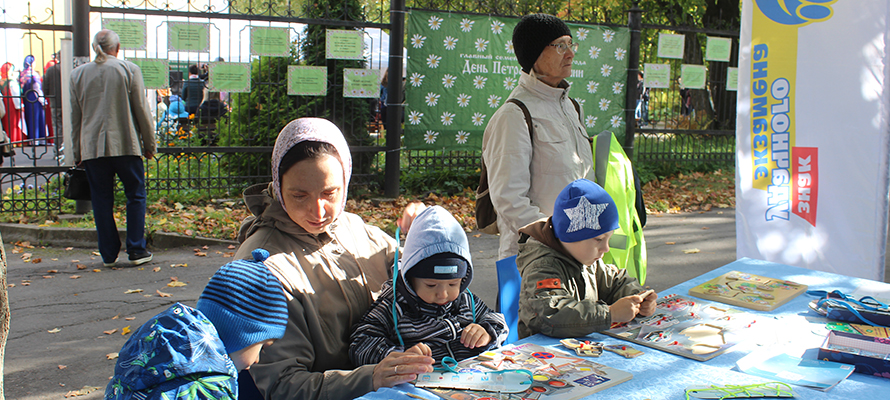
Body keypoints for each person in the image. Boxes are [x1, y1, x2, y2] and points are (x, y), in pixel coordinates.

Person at [234, 117, 434, 399]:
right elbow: (283, 386)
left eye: (330, 193)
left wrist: (425, 236)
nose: (318, 212)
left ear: (346, 181)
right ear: (278, 188)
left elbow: (429, 283)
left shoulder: (352, 228)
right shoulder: (262, 267)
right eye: (299, 195)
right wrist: (372, 377)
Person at [482, 14, 596, 261]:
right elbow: (509, 200)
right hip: (535, 257)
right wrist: (556, 236)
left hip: (579, 249)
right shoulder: (514, 114)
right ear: (533, 55)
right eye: (560, 46)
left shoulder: (572, 108)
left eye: (571, 44)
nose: (570, 54)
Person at [105, 248, 289, 399]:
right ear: (241, 334)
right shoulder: (208, 384)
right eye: (262, 346)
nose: (257, 359)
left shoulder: (161, 337)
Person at [349, 206, 508, 365]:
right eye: (431, 285)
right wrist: (397, 356)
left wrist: (487, 332)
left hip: (468, 377)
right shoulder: (394, 306)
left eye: (453, 283)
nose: (443, 294)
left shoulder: (465, 300)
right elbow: (360, 345)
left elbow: (497, 321)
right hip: (418, 381)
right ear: (410, 279)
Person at [516, 179, 657, 339]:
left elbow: (615, 282)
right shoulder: (542, 266)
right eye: (598, 239)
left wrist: (638, 297)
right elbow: (553, 315)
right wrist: (610, 314)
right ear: (571, 237)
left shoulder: (585, 256)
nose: (606, 248)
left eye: (608, 239)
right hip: (543, 353)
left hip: (578, 343)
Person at [70, 30, 156, 267]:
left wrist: (77, 152)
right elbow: (141, 110)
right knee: (135, 195)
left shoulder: (77, 75)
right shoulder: (129, 69)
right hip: (126, 144)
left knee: (101, 199)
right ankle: (137, 250)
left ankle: (108, 254)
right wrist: (149, 144)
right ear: (116, 48)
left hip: (92, 149)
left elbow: (75, 117)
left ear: (94, 47)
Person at [19, 55, 46, 145]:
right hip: (34, 97)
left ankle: (31, 139)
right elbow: (37, 88)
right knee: (37, 118)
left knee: (30, 118)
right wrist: (42, 100)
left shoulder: (23, 74)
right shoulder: (34, 74)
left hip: (27, 98)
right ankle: (38, 139)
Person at [1, 62, 24, 147]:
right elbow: (15, 94)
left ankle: (8, 140)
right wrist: (19, 105)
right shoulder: (12, 82)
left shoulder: (1, 81)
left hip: (4, 104)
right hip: (12, 105)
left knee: (6, 122)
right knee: (14, 122)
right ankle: (15, 140)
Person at [44, 53, 63, 152]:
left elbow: (45, 88)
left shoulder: (50, 70)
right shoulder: (72, 69)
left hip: (55, 102)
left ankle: (58, 150)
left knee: (57, 127)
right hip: (68, 103)